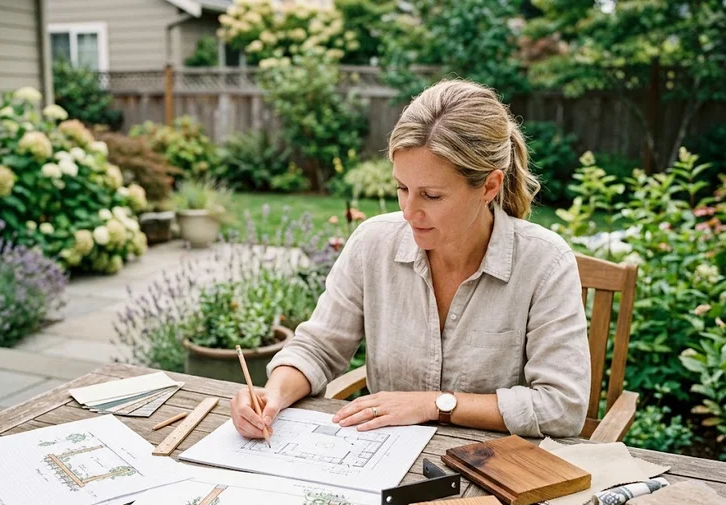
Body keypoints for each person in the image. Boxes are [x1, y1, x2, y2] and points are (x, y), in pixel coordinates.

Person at [230, 78, 591, 440]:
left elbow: (562, 407)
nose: (408, 211)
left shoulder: (545, 263)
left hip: (491, 472)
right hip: (383, 457)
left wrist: (435, 404)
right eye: (402, 188)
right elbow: (319, 348)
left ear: (489, 186)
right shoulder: (373, 243)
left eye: (431, 195)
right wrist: (273, 394)